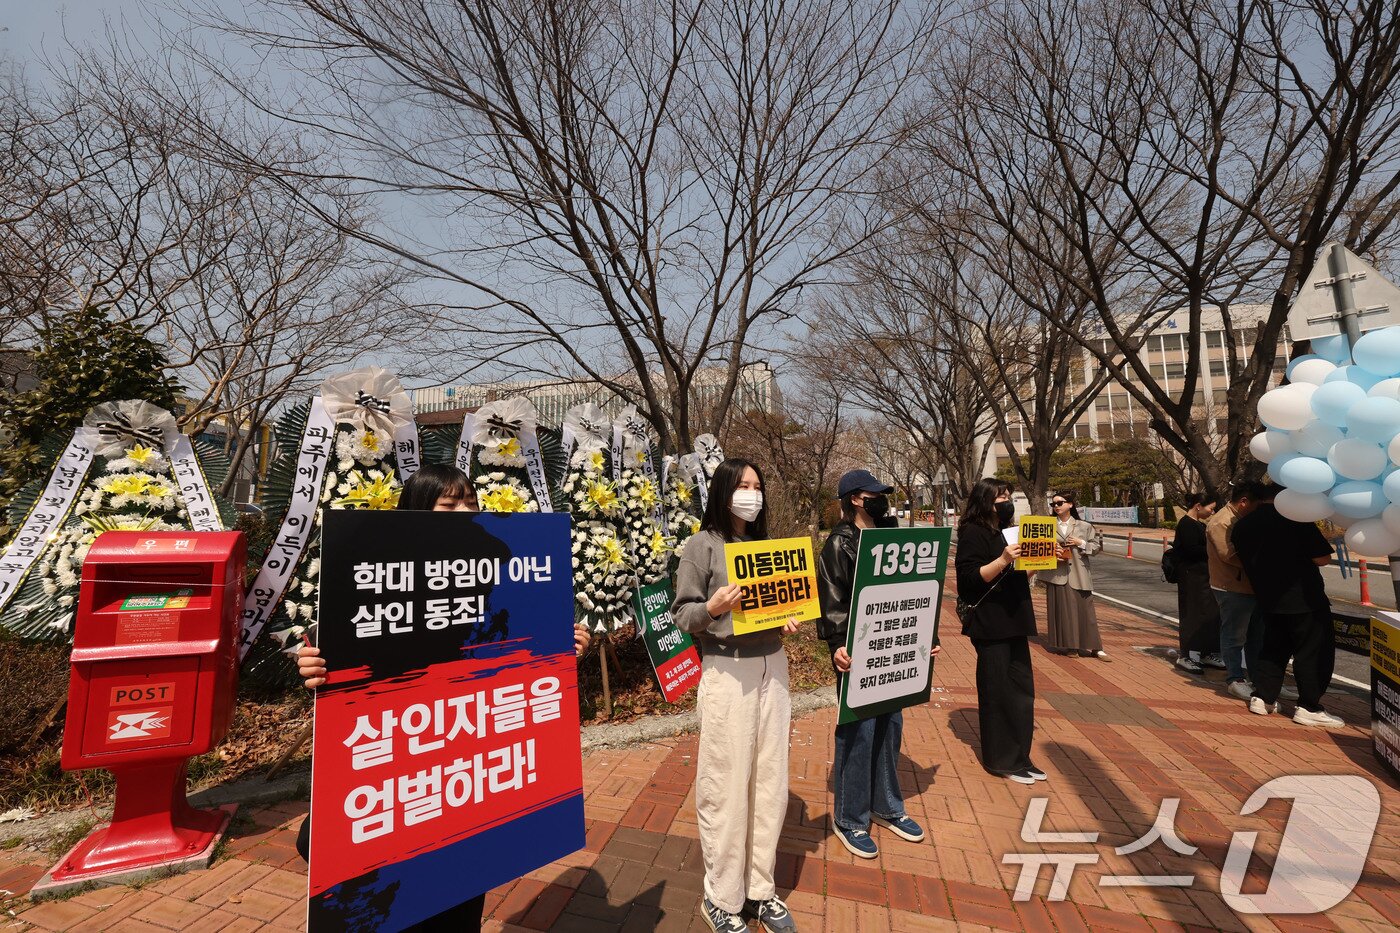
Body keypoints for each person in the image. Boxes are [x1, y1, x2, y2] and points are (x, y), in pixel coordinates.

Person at [294, 463, 590, 932]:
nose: (463, 514)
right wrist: (314, 666)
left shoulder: (500, 565)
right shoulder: (372, 577)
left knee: (459, 894)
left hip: (465, 776)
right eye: (447, 505)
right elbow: (334, 649)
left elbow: (523, 636)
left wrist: (565, 643)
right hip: (402, 771)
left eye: (470, 504)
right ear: (414, 513)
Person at [671, 458, 800, 933]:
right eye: (744, 485)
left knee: (770, 781)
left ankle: (760, 889)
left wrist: (787, 615)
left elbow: (780, 602)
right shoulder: (701, 546)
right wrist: (712, 606)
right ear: (723, 490)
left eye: (758, 485)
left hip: (774, 668)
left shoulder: (766, 547)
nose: (752, 492)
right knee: (726, 785)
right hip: (728, 671)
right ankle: (721, 896)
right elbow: (682, 615)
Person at [816, 469, 938, 860]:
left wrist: (925, 635)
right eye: (875, 493)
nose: (882, 499)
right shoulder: (840, 544)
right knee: (859, 732)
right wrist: (836, 644)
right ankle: (850, 818)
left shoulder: (892, 535)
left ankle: (887, 806)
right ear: (855, 498)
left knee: (891, 727)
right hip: (857, 655)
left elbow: (912, 590)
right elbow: (832, 599)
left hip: (893, 650)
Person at [955, 478, 1044, 785]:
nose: (1007, 501)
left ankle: (1021, 757)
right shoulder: (973, 532)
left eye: (1008, 496)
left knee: (1022, 692)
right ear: (984, 502)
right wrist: (1004, 558)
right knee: (997, 691)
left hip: (1016, 616)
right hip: (990, 622)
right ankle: (1000, 760)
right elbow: (970, 578)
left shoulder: (1010, 530)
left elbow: (1021, 574)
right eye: (1000, 498)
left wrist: (1042, 562)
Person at [1231, 484, 1342, 727]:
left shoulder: (1242, 526)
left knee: (1273, 649)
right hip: (1304, 598)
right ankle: (1309, 707)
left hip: (1268, 598)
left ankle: (1263, 697)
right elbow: (1322, 558)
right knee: (1312, 653)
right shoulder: (1295, 519)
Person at [1206, 482, 1266, 701]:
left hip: (1247, 587)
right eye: (1256, 505)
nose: (1257, 510)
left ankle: (1260, 681)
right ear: (1243, 502)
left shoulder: (1238, 518)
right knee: (1234, 635)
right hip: (1231, 586)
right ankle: (1234, 679)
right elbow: (1228, 555)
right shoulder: (1221, 521)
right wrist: (1263, 560)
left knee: (1255, 637)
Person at [1039, 491, 1107, 660]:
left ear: (1070, 504)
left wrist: (1080, 543)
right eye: (1053, 504)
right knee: (1063, 611)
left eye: (1059, 503)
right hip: (1056, 573)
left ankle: (1095, 647)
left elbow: (1096, 547)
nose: (1056, 506)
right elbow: (1038, 548)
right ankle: (1070, 646)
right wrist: (1051, 550)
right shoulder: (1046, 525)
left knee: (1086, 610)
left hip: (1079, 572)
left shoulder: (1084, 526)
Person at [1171, 494, 1223, 674]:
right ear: (1199, 506)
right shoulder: (1186, 524)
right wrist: (1213, 550)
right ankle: (1186, 655)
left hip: (1204, 576)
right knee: (1192, 614)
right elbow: (1191, 550)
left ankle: (1206, 652)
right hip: (1191, 577)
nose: (1212, 512)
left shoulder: (1199, 524)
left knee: (1209, 613)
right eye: (1211, 508)